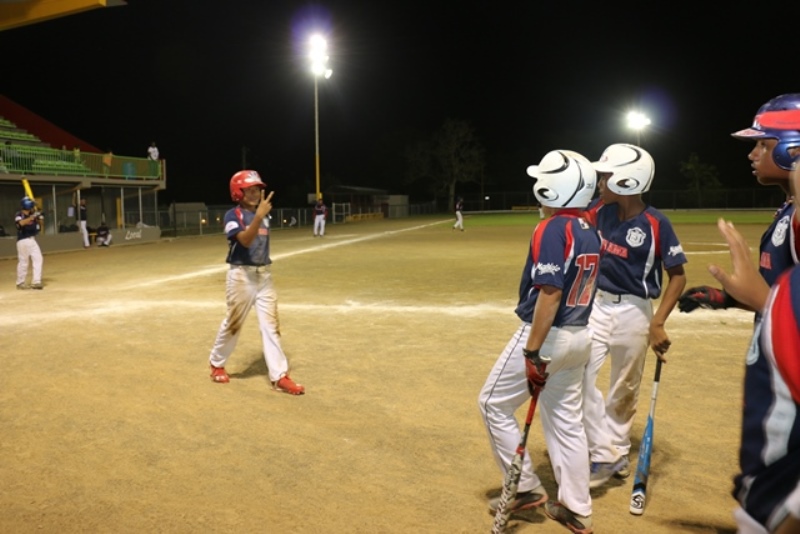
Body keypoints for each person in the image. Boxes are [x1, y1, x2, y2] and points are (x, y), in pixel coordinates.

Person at [479, 150, 600, 533]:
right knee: (566, 422)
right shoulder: (588, 228)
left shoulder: (552, 228)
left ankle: (525, 487)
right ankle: (577, 509)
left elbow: (550, 292)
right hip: (580, 337)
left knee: (492, 404)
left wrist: (532, 350)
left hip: (548, 336)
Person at [581, 144, 687, 488]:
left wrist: (658, 322)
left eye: (606, 177)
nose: (600, 183)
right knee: (577, 377)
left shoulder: (656, 223)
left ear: (628, 180)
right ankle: (604, 449)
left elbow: (678, 276)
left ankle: (616, 451)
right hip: (597, 306)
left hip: (634, 312)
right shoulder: (598, 211)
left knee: (624, 388)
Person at [679, 93, 800, 311]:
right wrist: (729, 298)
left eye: (763, 144)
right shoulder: (790, 209)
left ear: (794, 150)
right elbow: (783, 297)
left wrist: (761, 301)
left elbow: (788, 316)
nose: (752, 154)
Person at [208, 170, 305, 395]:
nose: (255, 194)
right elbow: (244, 240)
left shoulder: (264, 215)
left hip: (264, 276)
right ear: (237, 192)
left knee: (271, 327)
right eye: (249, 190)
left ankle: (279, 376)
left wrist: (260, 215)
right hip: (242, 276)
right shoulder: (233, 215)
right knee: (233, 324)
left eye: (257, 190)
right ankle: (216, 363)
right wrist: (259, 216)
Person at [15, 196, 44, 290]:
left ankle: (35, 282)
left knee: (38, 259)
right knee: (24, 262)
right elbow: (20, 224)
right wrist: (32, 217)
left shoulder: (32, 214)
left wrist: (39, 216)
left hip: (32, 240)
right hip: (23, 240)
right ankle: (21, 282)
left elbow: (41, 224)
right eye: (31, 205)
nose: (32, 207)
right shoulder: (19, 214)